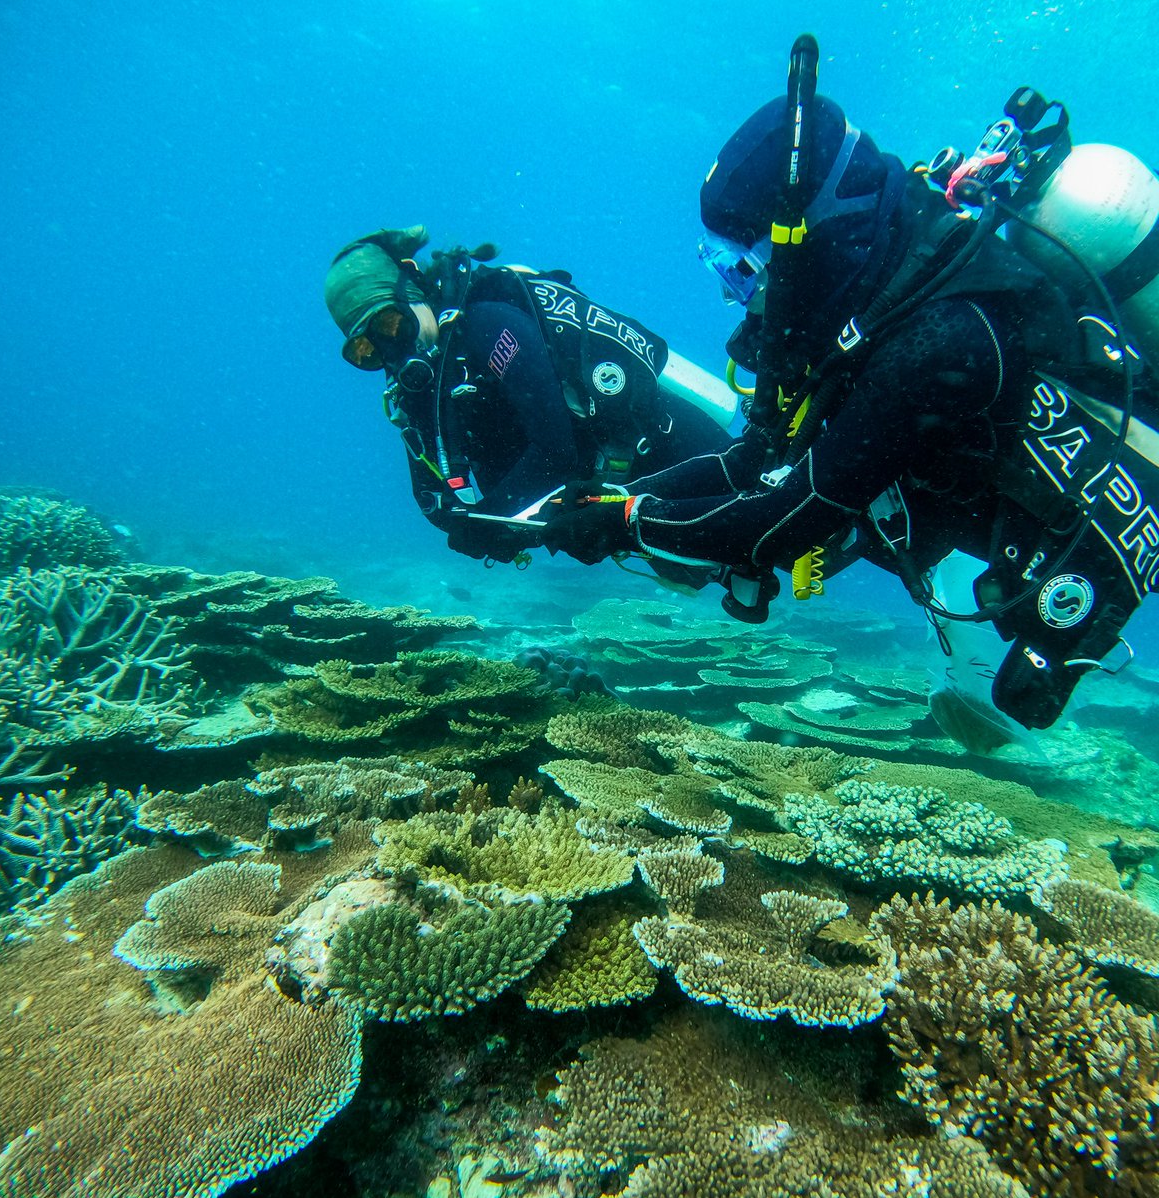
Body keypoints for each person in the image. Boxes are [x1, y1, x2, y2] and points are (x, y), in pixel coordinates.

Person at [541, 35, 1159, 745]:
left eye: (746, 265)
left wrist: (626, 524)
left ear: (809, 238)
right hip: (975, 509)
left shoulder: (934, 338)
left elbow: (792, 514)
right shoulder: (873, 308)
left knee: (1011, 702)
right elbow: (750, 460)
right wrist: (613, 499)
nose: (742, 293)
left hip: (1095, 506)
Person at [323, 225, 734, 571]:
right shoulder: (423, 386)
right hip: (633, 504)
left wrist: (490, 521)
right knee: (733, 561)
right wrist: (483, 524)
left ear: (410, 287)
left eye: (391, 324)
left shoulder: (488, 324)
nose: (390, 349)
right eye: (367, 351)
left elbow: (556, 450)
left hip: (677, 453)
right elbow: (435, 496)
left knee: (778, 522)